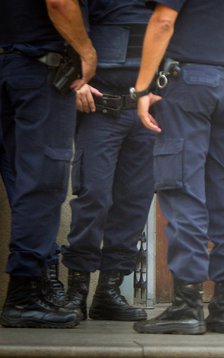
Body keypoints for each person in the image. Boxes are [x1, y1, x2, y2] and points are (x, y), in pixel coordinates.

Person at [131, 0, 224, 335]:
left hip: (188, 83)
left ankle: (187, 306)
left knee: (183, 190)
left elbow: (164, 21)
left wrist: (142, 88)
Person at [0, 0, 97, 328]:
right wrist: (86, 51)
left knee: (23, 174)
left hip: (12, 65)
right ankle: (24, 295)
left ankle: (38, 285)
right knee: (42, 179)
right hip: (37, 69)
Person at [59, 0, 155, 322]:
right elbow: (67, 23)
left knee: (133, 204)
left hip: (145, 114)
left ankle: (108, 294)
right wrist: (76, 79)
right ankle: (77, 291)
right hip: (99, 110)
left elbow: (179, 35)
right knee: (93, 198)